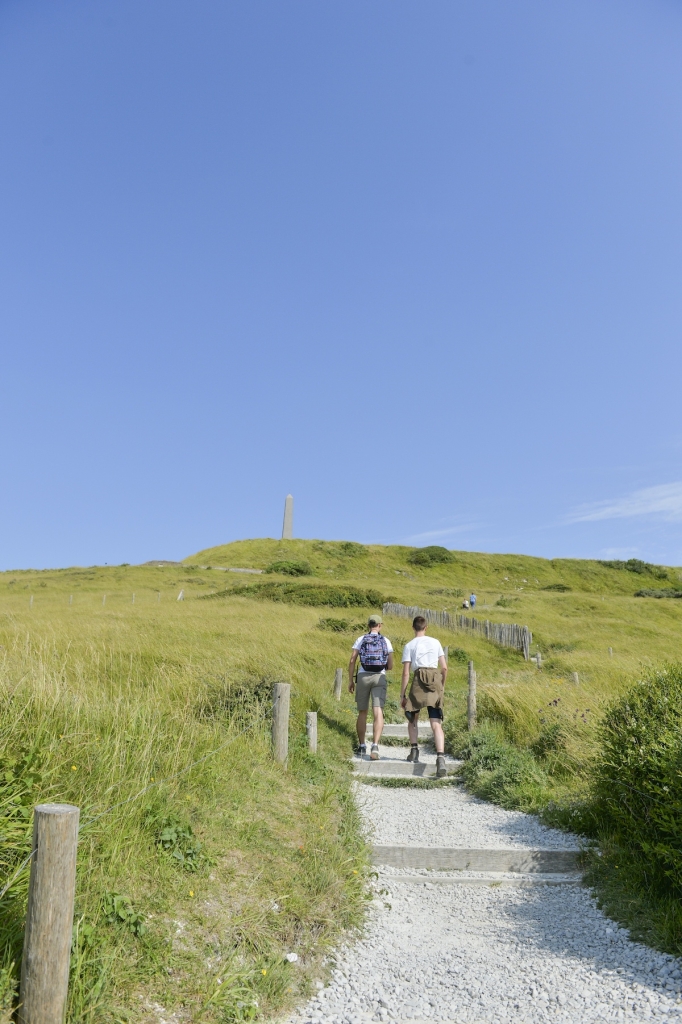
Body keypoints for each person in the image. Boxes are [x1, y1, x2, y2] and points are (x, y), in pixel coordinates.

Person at [400, 615, 448, 778]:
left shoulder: (409, 645)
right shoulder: (436, 642)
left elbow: (406, 672)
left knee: (413, 718)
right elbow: (445, 668)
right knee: (436, 724)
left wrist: (403, 695)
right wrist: (442, 686)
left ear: (413, 628)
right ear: (426, 627)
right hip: (435, 680)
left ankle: (414, 751)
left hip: (418, 680)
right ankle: (440, 758)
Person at [349, 614, 394, 760]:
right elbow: (391, 665)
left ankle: (362, 746)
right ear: (380, 625)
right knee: (378, 710)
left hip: (363, 676)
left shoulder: (361, 639)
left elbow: (352, 660)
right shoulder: (386, 641)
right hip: (379, 677)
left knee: (362, 712)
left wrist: (351, 680)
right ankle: (375, 745)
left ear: (368, 625)